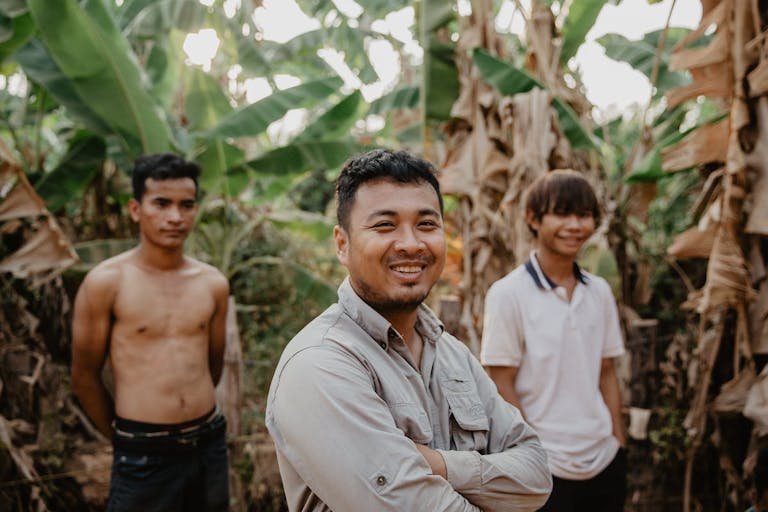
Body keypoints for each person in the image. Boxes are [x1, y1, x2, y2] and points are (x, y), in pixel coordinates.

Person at [266, 149, 552, 512]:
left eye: (426, 224)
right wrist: (492, 482)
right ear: (342, 243)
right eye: (385, 225)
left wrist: (436, 464)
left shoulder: (451, 353)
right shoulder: (319, 363)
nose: (411, 244)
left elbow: (538, 472)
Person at [70, 153, 230, 512]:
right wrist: (125, 440)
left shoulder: (213, 283)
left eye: (186, 205)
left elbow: (212, 366)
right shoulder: (106, 283)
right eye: (161, 203)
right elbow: (83, 377)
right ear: (135, 209)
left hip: (208, 443)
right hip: (142, 452)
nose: (175, 217)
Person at [480, 169, 627, 512]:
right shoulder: (507, 294)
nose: (575, 226)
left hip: (605, 457)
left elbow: (607, 371)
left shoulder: (599, 292)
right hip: (547, 464)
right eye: (562, 214)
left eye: (584, 215)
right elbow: (501, 381)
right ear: (533, 219)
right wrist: (533, 453)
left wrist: (618, 440)